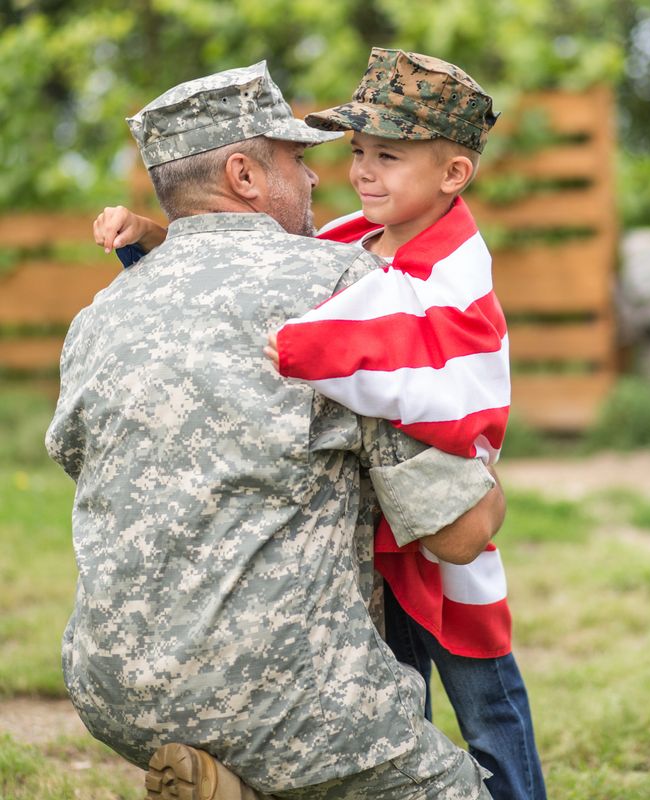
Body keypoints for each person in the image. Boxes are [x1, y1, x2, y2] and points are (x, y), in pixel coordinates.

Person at [48, 59, 506, 800]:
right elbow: (457, 534)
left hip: (113, 690)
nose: (322, 179)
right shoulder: (340, 287)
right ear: (245, 176)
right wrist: (489, 479)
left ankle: (242, 786)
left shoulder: (96, 318)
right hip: (292, 691)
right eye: (297, 159)